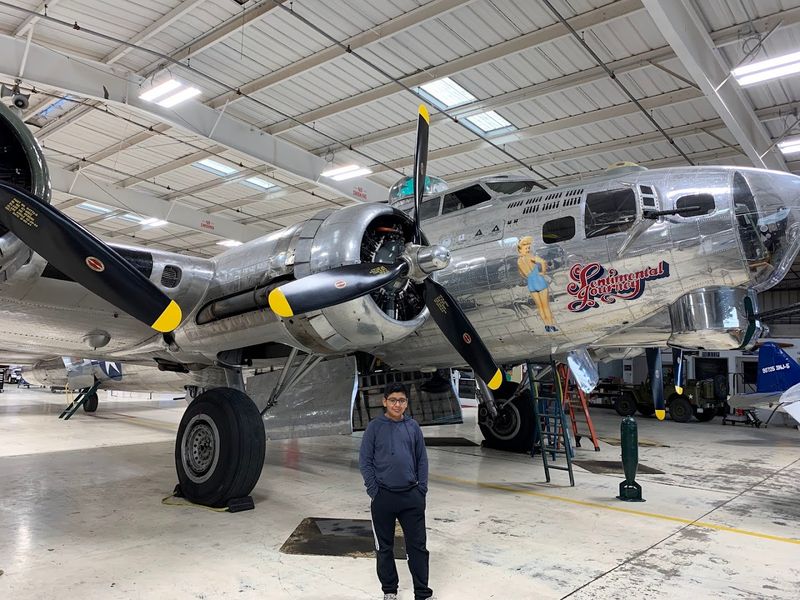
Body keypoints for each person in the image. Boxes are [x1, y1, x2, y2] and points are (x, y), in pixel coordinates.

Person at [359, 382, 433, 600]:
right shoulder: (374, 427)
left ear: (406, 403)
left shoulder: (413, 427)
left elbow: (422, 460)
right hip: (384, 496)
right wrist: (374, 490)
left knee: (418, 547)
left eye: (401, 401)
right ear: (384, 402)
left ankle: (422, 593)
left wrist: (422, 490)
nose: (397, 405)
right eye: (393, 400)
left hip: (411, 496)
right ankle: (389, 590)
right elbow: (365, 461)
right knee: (384, 547)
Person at [516, 235, 558, 332]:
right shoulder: (530, 257)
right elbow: (543, 262)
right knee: (546, 306)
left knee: (540, 307)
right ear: (521, 249)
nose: (528, 250)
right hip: (539, 282)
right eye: (526, 248)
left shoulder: (519, 261)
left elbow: (521, 274)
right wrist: (542, 272)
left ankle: (547, 326)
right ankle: (552, 326)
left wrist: (528, 277)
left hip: (531, 284)